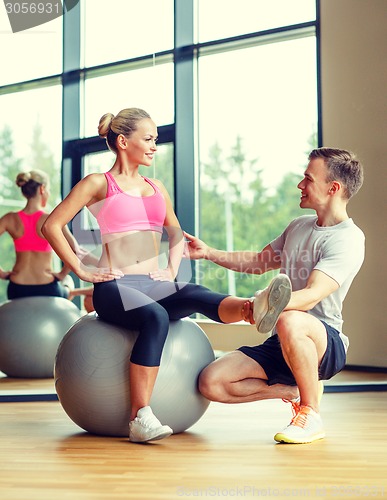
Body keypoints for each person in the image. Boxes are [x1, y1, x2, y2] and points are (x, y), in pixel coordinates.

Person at [41, 107, 290, 444]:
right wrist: (83, 269)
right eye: (149, 139)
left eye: (156, 139)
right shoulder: (99, 184)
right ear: (123, 141)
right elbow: (51, 225)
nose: (155, 146)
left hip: (152, 283)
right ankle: (139, 417)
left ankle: (252, 309)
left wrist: (171, 270)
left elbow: (175, 233)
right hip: (114, 287)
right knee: (156, 317)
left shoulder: (156, 187)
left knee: (196, 292)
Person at [184, 147, 365, 445]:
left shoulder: (348, 238)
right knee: (211, 383)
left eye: (308, 179)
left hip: (324, 342)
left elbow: (311, 296)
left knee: (292, 318)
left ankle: (310, 413)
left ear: (333, 188)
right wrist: (208, 253)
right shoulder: (298, 227)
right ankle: (290, 391)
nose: (300, 185)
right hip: (283, 339)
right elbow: (257, 263)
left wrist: (266, 305)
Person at [0, 169, 94, 311]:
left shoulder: (9, 218)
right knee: (68, 283)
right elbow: (75, 250)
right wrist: (62, 274)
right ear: (42, 189)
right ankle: (71, 292)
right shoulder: (52, 219)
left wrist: (1, 273)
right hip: (47, 288)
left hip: (17, 288)